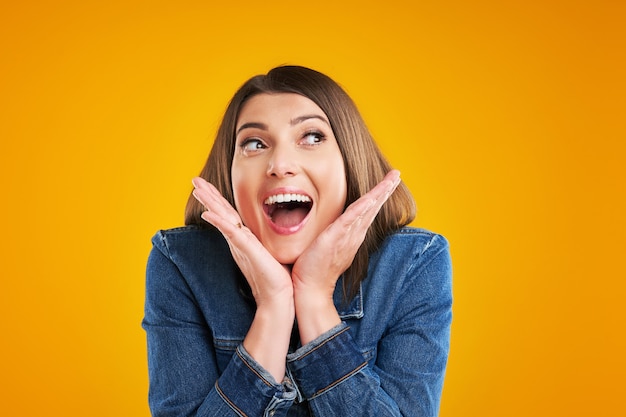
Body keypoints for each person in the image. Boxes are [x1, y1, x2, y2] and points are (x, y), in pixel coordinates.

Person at [143, 65, 452, 417]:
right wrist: (273, 309)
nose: (280, 164)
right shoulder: (181, 263)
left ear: (349, 161)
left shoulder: (414, 264)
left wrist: (315, 298)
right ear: (229, 175)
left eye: (312, 137)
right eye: (254, 143)